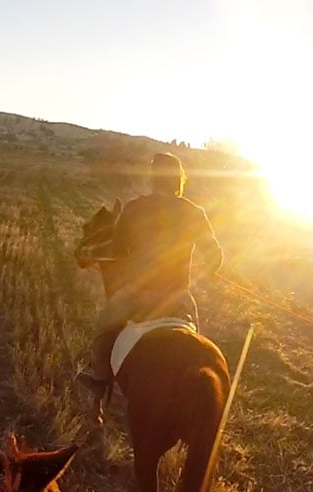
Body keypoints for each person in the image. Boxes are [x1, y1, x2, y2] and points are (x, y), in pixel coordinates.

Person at [76, 153, 223, 396]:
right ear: (179, 180)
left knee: (104, 326)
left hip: (138, 294)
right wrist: (202, 273)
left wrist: (92, 252)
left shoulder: (135, 207)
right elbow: (215, 257)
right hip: (178, 296)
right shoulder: (194, 211)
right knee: (197, 338)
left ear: (154, 178)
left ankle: (98, 378)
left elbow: (117, 250)